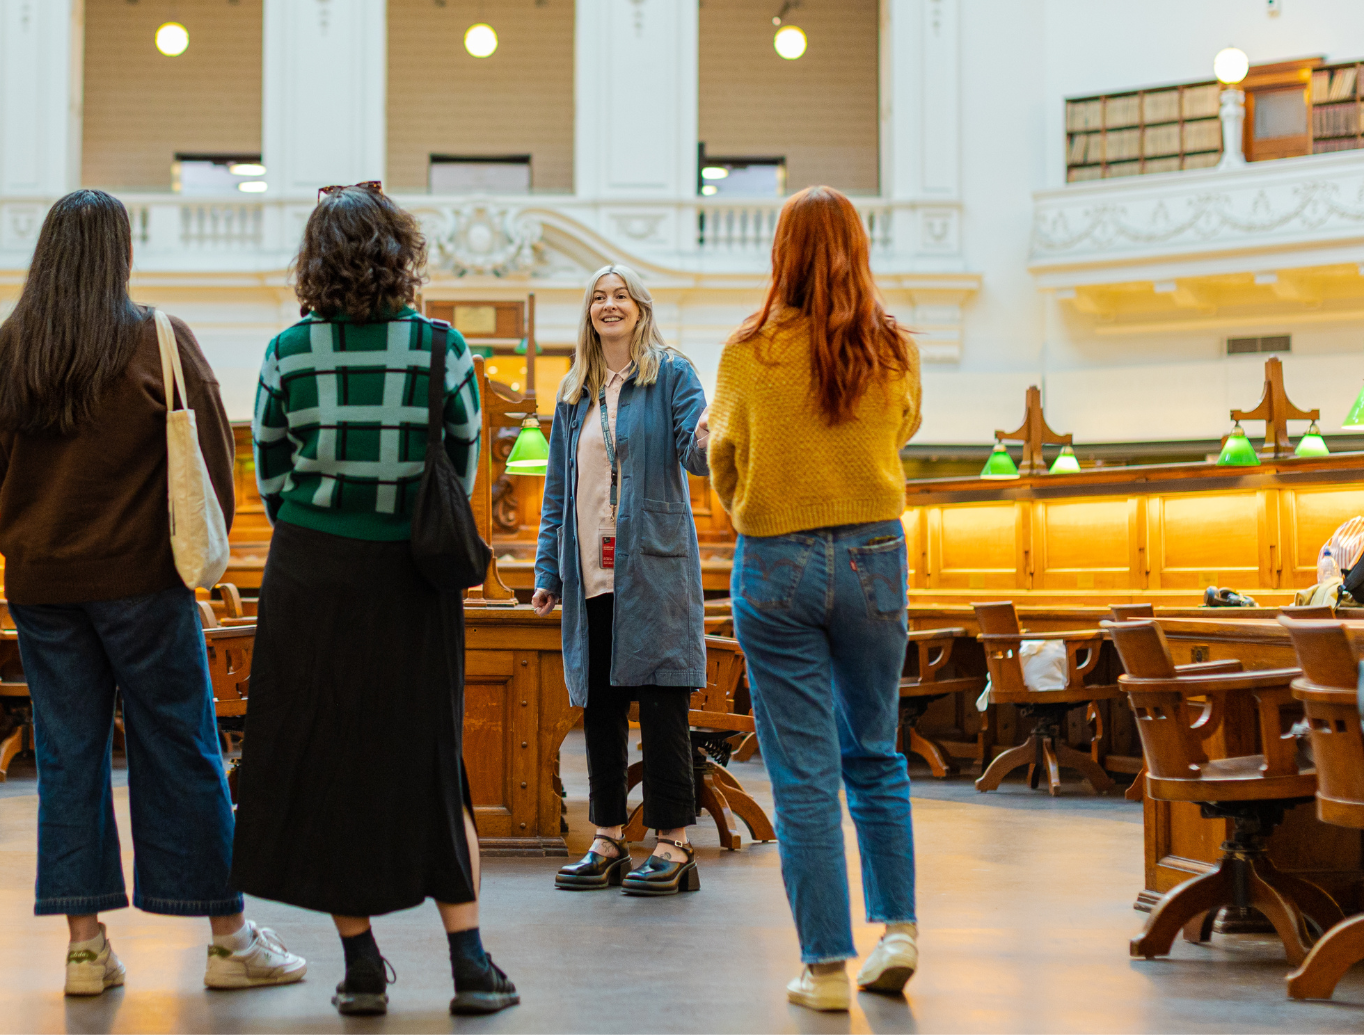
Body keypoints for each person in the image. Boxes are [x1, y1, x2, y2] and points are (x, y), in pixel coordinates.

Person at [0, 189, 306, 996]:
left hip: (42, 583)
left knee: (67, 758)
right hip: (144, 582)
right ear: (122, 254)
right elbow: (212, 461)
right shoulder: (158, 337)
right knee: (181, 747)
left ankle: (85, 950)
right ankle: (228, 941)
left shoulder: (12, 345)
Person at [230, 181, 518, 1018]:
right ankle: (470, 965)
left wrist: (325, 523)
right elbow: (462, 467)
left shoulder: (287, 350)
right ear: (400, 256)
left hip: (310, 578)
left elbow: (271, 474)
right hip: (411, 580)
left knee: (327, 764)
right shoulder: (441, 348)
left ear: (315, 262)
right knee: (429, 763)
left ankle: (361, 968)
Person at [708, 186, 923, 1012]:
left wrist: (752, 497)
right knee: (874, 751)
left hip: (776, 562)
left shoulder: (748, 351)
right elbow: (902, 428)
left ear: (781, 254)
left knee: (803, 774)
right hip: (876, 554)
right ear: (858, 250)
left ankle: (825, 968)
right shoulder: (893, 347)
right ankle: (897, 933)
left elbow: (724, 456)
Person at [531, 265, 711, 896]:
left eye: (621, 297)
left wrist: (711, 435)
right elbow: (557, 491)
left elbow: (696, 454)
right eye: (599, 298)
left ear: (641, 309)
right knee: (601, 709)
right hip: (589, 571)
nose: (609, 305)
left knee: (662, 701)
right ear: (589, 312)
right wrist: (548, 569)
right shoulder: (573, 391)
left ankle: (672, 844)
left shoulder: (672, 374)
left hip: (653, 566)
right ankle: (607, 838)